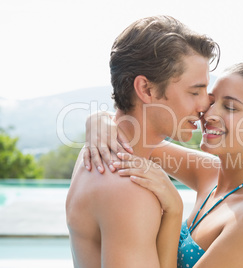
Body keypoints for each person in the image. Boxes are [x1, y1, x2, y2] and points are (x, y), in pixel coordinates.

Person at [86, 63, 243, 267]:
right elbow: (134, 139)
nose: (208, 114)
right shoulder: (210, 172)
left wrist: (173, 211)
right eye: (211, 102)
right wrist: (99, 121)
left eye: (229, 107)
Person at [66, 15, 220, 268]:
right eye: (194, 92)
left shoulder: (95, 153)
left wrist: (97, 118)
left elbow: (221, 172)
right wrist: (174, 210)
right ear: (146, 90)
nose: (206, 105)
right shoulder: (130, 190)